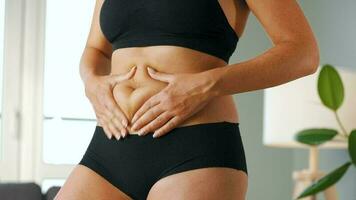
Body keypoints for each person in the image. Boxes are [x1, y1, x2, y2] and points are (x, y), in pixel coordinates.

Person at [55, 0, 319, 199]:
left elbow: (302, 52)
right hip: (109, 147)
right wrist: (91, 82)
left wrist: (206, 84)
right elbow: (96, 49)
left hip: (194, 150)